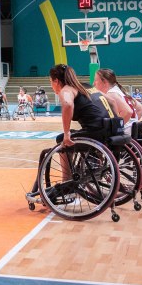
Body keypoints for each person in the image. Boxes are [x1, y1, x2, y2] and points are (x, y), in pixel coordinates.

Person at [26, 64, 115, 205]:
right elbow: (113, 102)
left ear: (56, 81)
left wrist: (67, 134)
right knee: (73, 136)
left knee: (62, 139)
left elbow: (67, 105)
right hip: (109, 128)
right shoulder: (85, 87)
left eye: (50, 82)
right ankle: (88, 166)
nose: (51, 85)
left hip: (95, 133)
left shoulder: (67, 90)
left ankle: (67, 182)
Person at [92, 68, 137, 134]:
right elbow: (140, 109)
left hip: (126, 133)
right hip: (133, 130)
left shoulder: (111, 94)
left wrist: (116, 128)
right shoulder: (117, 91)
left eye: (96, 80)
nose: (93, 83)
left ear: (104, 82)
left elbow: (128, 112)